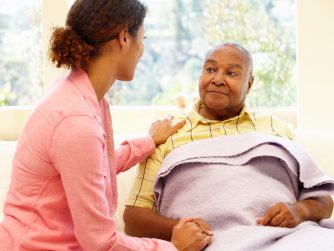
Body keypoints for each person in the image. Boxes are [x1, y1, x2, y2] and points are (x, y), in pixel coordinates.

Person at [0, 0, 213, 250]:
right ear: (124, 37)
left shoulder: (81, 93)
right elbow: (101, 243)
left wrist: (147, 142)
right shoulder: (75, 121)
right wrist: (174, 247)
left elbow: (93, 166)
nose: (143, 50)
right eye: (143, 38)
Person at [123, 42, 334, 240]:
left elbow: (324, 201)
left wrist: (300, 210)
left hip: (284, 239)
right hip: (207, 243)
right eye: (210, 69)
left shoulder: (274, 128)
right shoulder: (168, 134)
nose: (217, 79)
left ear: (249, 84)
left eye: (231, 73)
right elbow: (133, 218)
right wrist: (181, 228)